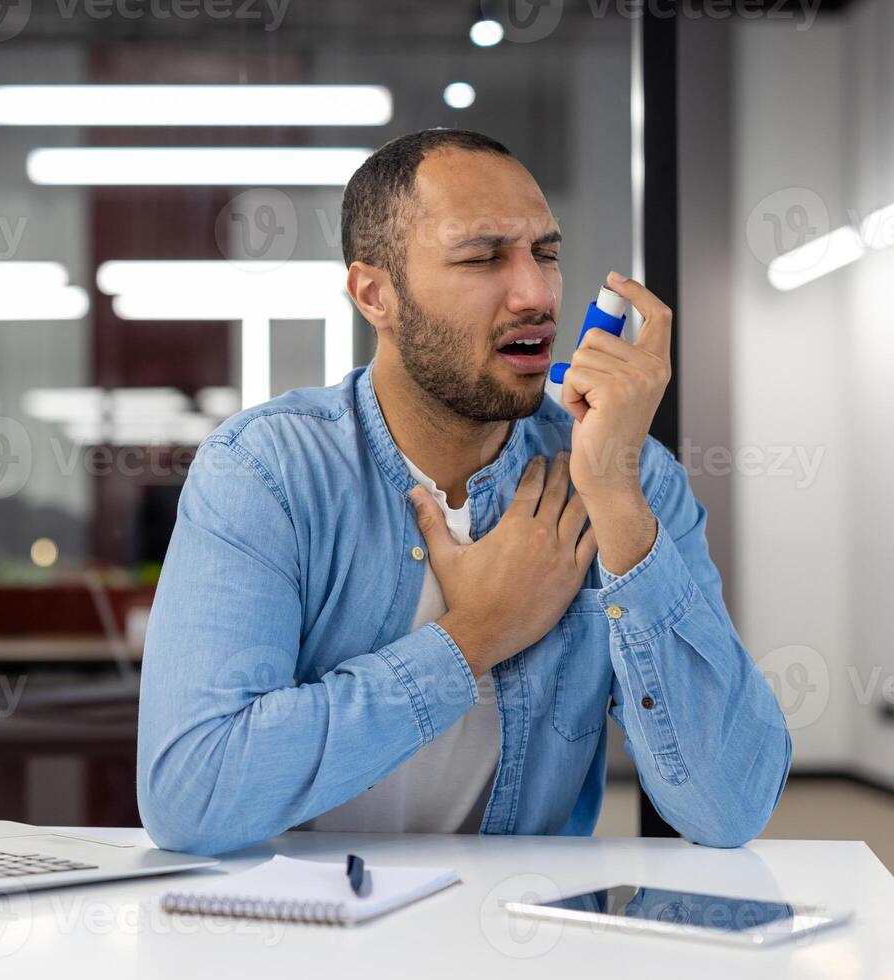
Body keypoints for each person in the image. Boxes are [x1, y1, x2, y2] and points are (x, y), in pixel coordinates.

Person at [136, 129, 791, 856]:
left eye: (546, 254)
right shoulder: (268, 472)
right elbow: (193, 796)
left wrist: (618, 502)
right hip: (300, 937)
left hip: (521, 942)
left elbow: (730, 807)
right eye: (483, 258)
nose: (537, 294)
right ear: (375, 294)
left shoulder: (625, 475)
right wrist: (477, 633)